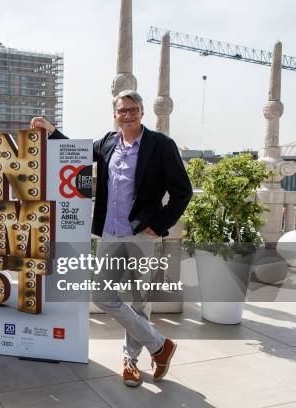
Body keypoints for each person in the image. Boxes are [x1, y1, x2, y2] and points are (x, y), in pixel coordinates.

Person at [30, 90, 192, 387]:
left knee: (139, 300)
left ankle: (131, 360)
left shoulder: (161, 145)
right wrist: (52, 131)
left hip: (142, 234)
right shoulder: (106, 143)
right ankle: (160, 346)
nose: (128, 114)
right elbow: (74, 151)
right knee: (103, 296)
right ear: (114, 114)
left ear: (142, 111)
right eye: (122, 110)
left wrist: (158, 226)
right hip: (109, 232)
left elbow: (183, 192)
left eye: (134, 109)